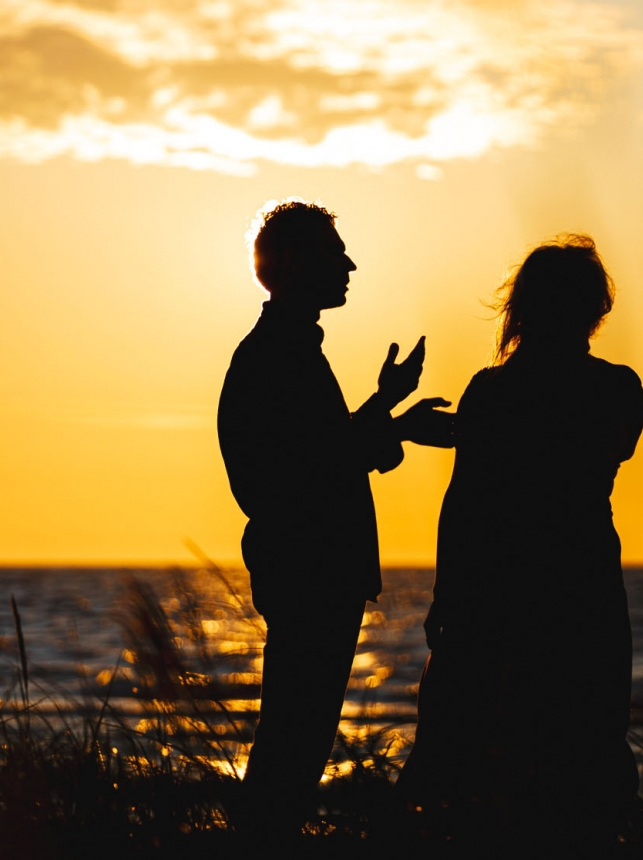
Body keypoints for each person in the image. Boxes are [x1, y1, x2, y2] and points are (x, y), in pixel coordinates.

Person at [398, 235, 643, 852]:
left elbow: (463, 507)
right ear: (595, 310)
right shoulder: (616, 387)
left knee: (492, 742)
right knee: (583, 734)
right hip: (581, 581)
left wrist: (444, 597)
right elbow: (609, 444)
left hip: (498, 585)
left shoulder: (493, 392)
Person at [217, 198, 452, 836]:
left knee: (296, 738)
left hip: (310, 570)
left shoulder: (283, 350)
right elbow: (306, 470)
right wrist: (394, 423)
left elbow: (318, 454)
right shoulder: (277, 355)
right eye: (332, 252)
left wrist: (384, 406)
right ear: (294, 263)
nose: (349, 265)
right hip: (310, 572)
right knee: (295, 741)